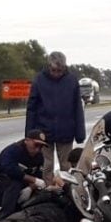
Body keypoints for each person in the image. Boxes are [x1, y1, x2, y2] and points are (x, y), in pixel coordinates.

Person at [25, 51, 85, 185]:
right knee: (46, 166)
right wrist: (29, 134)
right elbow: (32, 108)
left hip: (66, 130)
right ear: (48, 66)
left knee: (67, 165)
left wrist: (80, 133)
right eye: (54, 70)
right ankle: (47, 192)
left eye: (60, 70)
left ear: (64, 68)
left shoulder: (71, 80)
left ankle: (69, 191)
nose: (56, 73)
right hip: (43, 132)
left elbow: (77, 108)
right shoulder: (39, 80)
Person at [0, 130, 49, 221]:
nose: (38, 149)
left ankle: (24, 217)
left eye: (41, 146)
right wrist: (33, 180)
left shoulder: (39, 157)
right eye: (36, 145)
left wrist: (31, 187)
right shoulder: (12, 151)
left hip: (22, 189)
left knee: (41, 193)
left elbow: (39, 176)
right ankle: (3, 219)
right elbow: (10, 170)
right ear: (27, 140)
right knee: (15, 183)